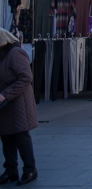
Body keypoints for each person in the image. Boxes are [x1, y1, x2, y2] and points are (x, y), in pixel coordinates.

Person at [0, 29, 38, 186]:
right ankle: (11, 170)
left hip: (19, 103)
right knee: (6, 137)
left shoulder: (15, 53)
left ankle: (30, 170)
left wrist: (5, 94)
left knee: (22, 137)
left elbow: (26, 77)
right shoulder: (2, 56)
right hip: (6, 104)